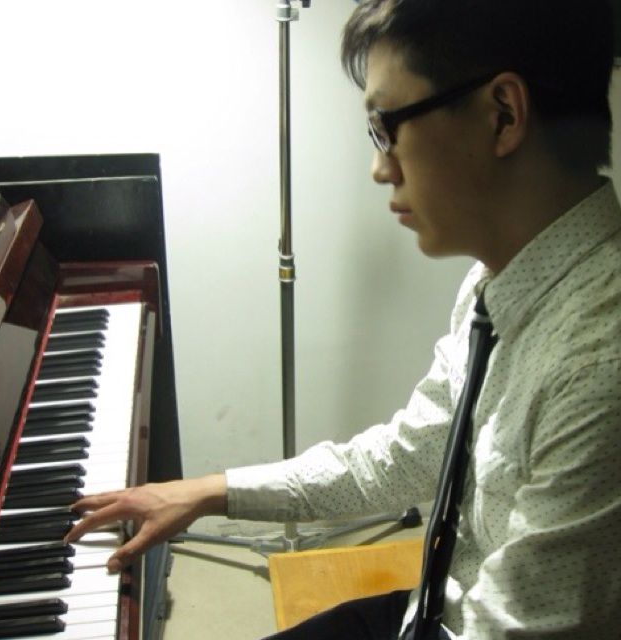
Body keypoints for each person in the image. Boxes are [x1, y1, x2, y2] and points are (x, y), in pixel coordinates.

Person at [66, 0, 621, 637]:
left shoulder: (599, 368)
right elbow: (410, 455)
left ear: (503, 115)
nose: (380, 168)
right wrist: (211, 491)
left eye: (387, 126)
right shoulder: (497, 283)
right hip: (433, 608)